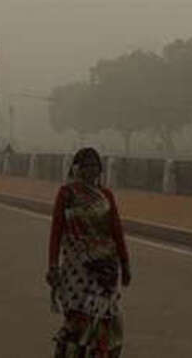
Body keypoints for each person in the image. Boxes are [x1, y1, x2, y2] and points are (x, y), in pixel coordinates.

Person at [47, 147, 130, 358]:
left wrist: (125, 262)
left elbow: (116, 230)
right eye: (85, 166)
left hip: (106, 268)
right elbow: (56, 232)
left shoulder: (106, 196)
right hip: (77, 269)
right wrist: (53, 266)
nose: (90, 170)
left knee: (105, 317)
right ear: (76, 168)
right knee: (79, 317)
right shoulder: (67, 194)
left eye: (94, 166)